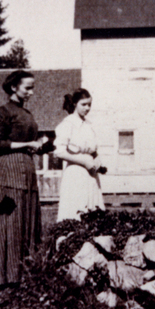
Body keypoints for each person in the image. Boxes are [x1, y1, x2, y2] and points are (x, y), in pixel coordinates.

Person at [0, 70, 49, 288]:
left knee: (26, 219)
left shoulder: (26, 113)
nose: (32, 91)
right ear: (13, 88)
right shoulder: (3, 111)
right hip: (8, 170)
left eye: (33, 87)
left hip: (26, 168)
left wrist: (39, 146)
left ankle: (23, 274)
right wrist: (27, 144)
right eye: (27, 87)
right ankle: (1, 277)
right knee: (8, 223)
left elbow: (27, 141)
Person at [55, 88, 105, 222]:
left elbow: (92, 149)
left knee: (93, 210)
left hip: (91, 174)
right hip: (76, 173)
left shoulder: (89, 125)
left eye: (89, 104)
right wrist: (84, 162)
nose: (87, 108)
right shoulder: (68, 124)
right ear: (74, 104)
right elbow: (59, 151)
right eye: (83, 104)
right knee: (77, 209)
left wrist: (96, 157)